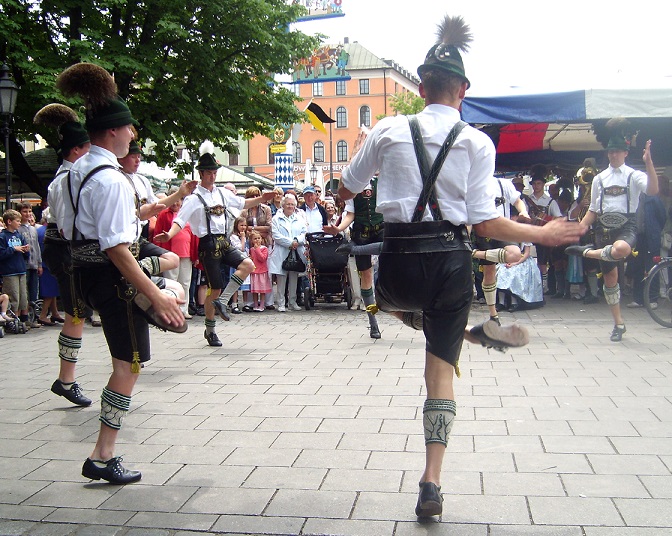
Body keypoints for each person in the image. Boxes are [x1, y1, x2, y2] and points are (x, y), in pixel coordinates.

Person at [336, 15, 585, 519]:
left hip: (398, 264)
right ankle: (431, 480)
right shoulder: (477, 142)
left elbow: (344, 188)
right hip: (450, 262)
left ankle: (454, 332)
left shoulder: (387, 128)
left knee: (381, 299)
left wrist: (370, 175)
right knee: (439, 372)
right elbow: (486, 224)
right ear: (463, 91)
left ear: (421, 87)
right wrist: (541, 233)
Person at [56, 62, 185, 484]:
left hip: (85, 274)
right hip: (113, 279)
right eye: (129, 128)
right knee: (128, 365)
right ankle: (102, 455)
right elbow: (116, 248)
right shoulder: (110, 179)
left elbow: (71, 229)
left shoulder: (73, 172)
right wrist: (156, 293)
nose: (133, 135)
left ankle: (102, 453)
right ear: (112, 131)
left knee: (131, 354)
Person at [154, 143, 274, 346]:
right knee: (214, 288)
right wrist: (169, 235)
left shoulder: (223, 194)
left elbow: (242, 203)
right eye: (209, 172)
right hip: (208, 244)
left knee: (247, 265)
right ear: (201, 174)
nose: (212, 176)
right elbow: (180, 220)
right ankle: (210, 330)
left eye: (214, 172)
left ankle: (223, 302)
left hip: (224, 241)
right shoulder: (193, 198)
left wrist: (263, 198)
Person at [566, 120, 658, 342]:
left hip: (627, 225)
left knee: (621, 249)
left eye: (617, 151)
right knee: (610, 280)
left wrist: (649, 163)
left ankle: (588, 252)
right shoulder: (599, 179)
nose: (613, 155)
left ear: (626, 153)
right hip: (603, 228)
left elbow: (654, 190)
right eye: (610, 152)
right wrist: (578, 229)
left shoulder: (634, 175)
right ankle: (618, 323)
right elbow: (594, 210)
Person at [34, 103, 95, 406]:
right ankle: (65, 379)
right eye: (88, 149)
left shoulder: (65, 177)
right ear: (75, 151)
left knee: (78, 312)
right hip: (66, 247)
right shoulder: (68, 179)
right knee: (76, 313)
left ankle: (66, 378)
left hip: (65, 246)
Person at [324, 177, 384, 338]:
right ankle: (373, 322)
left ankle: (355, 250)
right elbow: (350, 214)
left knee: (391, 260)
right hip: (361, 233)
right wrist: (338, 228)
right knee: (366, 275)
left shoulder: (381, 181)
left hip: (381, 229)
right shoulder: (353, 187)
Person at [470, 177, 529, 322]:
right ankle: (493, 314)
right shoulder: (472, 182)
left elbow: (518, 201)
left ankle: (475, 253)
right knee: (489, 273)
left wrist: (523, 212)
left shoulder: (503, 183)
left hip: (502, 228)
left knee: (515, 254)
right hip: (483, 230)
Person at [153, 186, 195, 319]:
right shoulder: (163, 215)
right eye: (174, 200)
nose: (176, 203)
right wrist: (159, 253)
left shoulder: (187, 214)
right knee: (171, 281)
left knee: (185, 282)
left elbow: (194, 236)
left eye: (178, 200)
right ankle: (171, 309)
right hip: (170, 253)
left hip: (186, 253)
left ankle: (184, 309)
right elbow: (157, 235)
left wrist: (195, 254)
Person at [524, 164, 562, 294]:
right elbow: (523, 215)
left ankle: (544, 285)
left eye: (538, 183)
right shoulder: (527, 200)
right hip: (529, 233)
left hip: (544, 235)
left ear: (543, 184)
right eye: (534, 184)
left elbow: (559, 218)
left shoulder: (550, 202)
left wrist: (545, 219)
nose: (536, 186)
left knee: (543, 261)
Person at [268, 194, 307, 312]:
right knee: (281, 277)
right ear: (283, 205)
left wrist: (297, 241)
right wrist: (290, 243)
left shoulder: (300, 218)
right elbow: (276, 235)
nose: (290, 206)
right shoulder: (276, 219)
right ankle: (281, 303)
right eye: (288, 204)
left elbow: (304, 233)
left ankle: (292, 302)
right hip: (282, 250)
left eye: (292, 204)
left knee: (294, 277)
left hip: (296, 251)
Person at [0, 209, 30, 332]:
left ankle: (20, 319)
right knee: (14, 297)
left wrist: (26, 251)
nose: (19, 223)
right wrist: (13, 249)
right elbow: (1, 254)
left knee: (23, 297)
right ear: (9, 221)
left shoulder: (19, 235)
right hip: (9, 271)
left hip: (21, 269)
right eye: (17, 221)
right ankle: (11, 320)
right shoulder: (2, 236)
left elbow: (24, 254)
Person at [496, 242, 544, 311]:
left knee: (515, 273)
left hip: (522, 261)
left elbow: (526, 254)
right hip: (508, 259)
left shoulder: (525, 237)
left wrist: (516, 263)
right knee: (501, 271)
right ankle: (501, 302)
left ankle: (514, 302)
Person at [17, 203, 43, 329]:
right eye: (24, 211)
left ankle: (32, 317)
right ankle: (24, 317)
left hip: (34, 264)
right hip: (24, 265)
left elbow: (36, 247)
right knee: (24, 293)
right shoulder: (18, 229)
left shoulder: (33, 229)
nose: (27, 214)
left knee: (33, 292)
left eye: (29, 211)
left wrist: (39, 264)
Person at [248, 230, 271, 311]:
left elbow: (262, 258)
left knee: (262, 290)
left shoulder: (264, 249)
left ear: (261, 239)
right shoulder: (251, 249)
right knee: (255, 290)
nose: (257, 240)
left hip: (262, 271)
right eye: (255, 239)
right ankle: (255, 304)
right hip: (254, 272)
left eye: (258, 238)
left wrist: (257, 249)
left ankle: (262, 305)